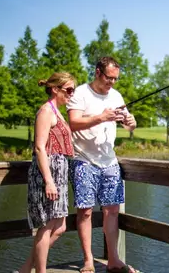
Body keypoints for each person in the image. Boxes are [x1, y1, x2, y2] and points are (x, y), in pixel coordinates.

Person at [66, 56, 139, 273]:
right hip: (84, 161)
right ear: (98, 72)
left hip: (109, 162)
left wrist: (131, 124)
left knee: (112, 211)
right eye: (109, 78)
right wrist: (101, 117)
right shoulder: (80, 93)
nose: (113, 83)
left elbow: (126, 124)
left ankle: (114, 260)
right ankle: (88, 260)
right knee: (85, 212)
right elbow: (73, 123)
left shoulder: (116, 96)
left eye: (116, 79)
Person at [19, 72, 76, 273]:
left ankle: (27, 268)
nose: (71, 94)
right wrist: (49, 181)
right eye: (69, 90)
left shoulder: (57, 111)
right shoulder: (46, 111)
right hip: (48, 173)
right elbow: (40, 148)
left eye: (73, 90)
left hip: (59, 172)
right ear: (55, 89)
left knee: (60, 227)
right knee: (46, 226)